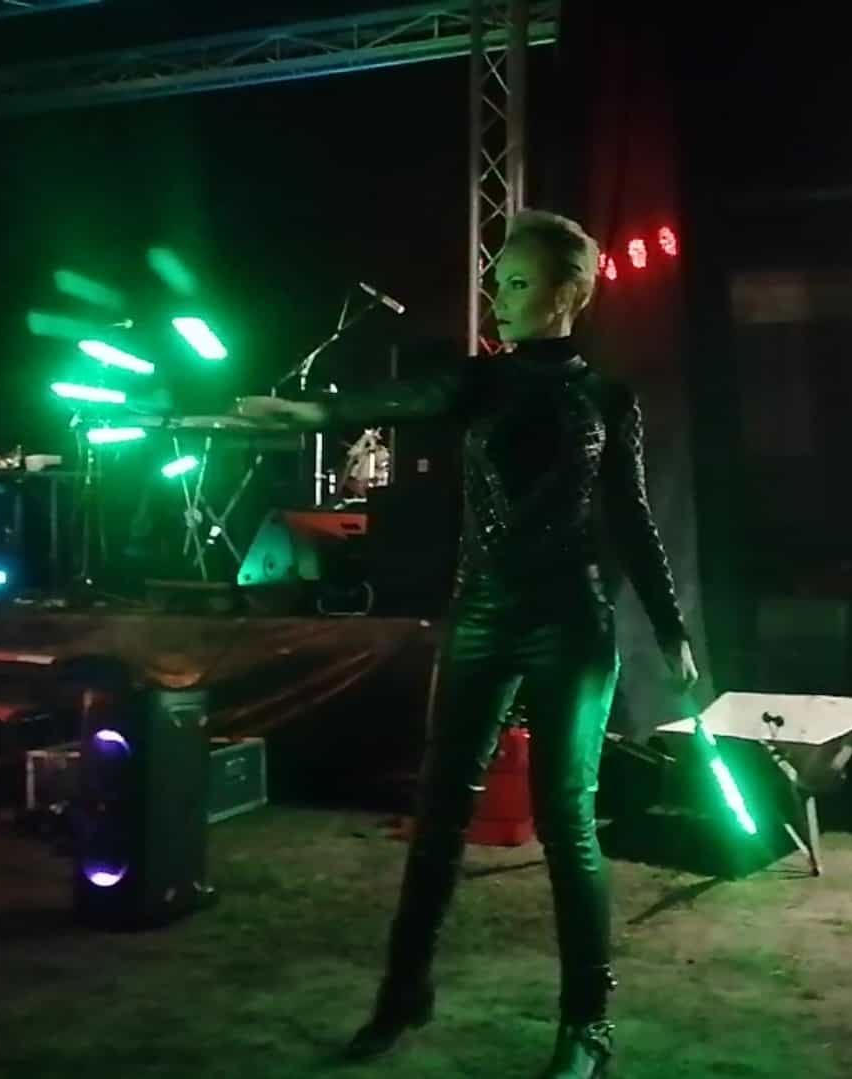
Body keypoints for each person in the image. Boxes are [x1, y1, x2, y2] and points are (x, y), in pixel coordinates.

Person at [236, 209, 698, 1078]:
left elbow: (632, 520)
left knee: (567, 822)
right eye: (497, 281)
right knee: (440, 811)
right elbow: (399, 399)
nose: (499, 295)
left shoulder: (607, 399)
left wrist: (670, 626)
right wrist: (313, 409)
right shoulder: (479, 382)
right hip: (482, 616)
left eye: (517, 282)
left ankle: (588, 1024)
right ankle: (402, 992)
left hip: (570, 622)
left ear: (567, 292)